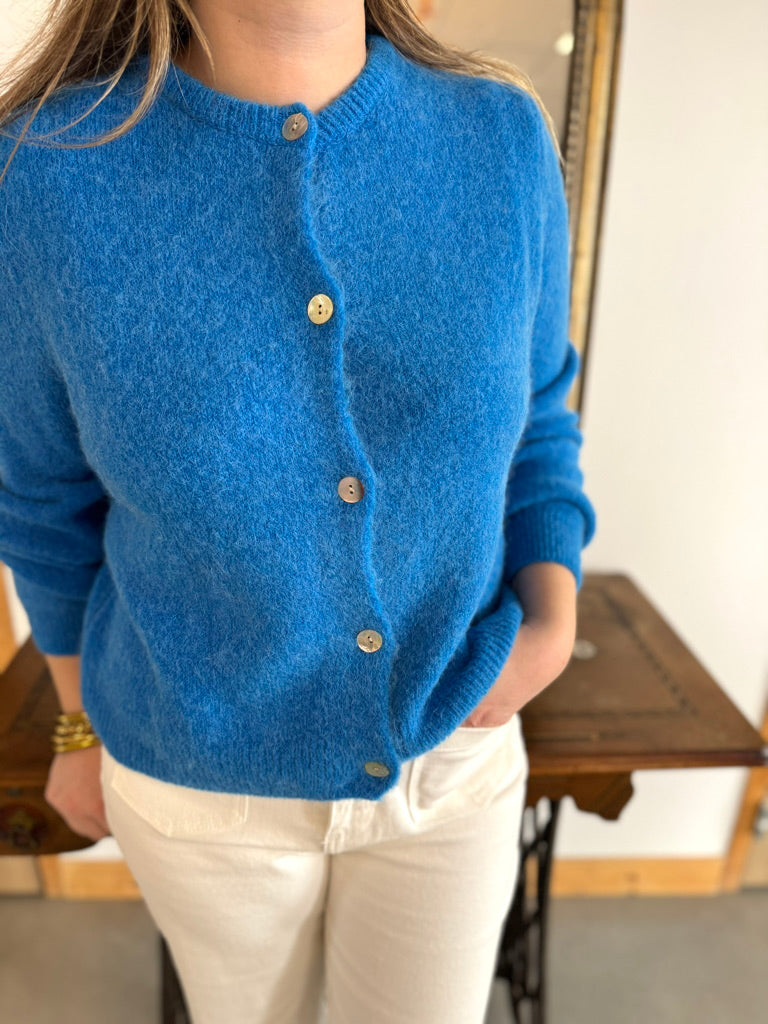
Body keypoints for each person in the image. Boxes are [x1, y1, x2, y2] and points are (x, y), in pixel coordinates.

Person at [0, 1, 597, 1021]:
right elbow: (39, 497)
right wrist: (75, 733)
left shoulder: (499, 136)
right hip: (198, 789)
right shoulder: (46, 175)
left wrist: (551, 622)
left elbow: (539, 419)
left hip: (451, 756)